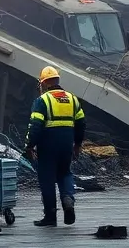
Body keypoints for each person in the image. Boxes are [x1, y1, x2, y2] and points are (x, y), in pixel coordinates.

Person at [23, 65, 86, 227]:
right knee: (65, 173)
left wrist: (29, 146)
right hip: (66, 143)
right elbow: (81, 123)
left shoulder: (42, 101)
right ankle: (68, 199)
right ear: (57, 80)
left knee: (47, 178)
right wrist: (77, 144)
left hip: (48, 144)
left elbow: (35, 126)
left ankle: (50, 216)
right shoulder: (72, 99)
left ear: (43, 83)